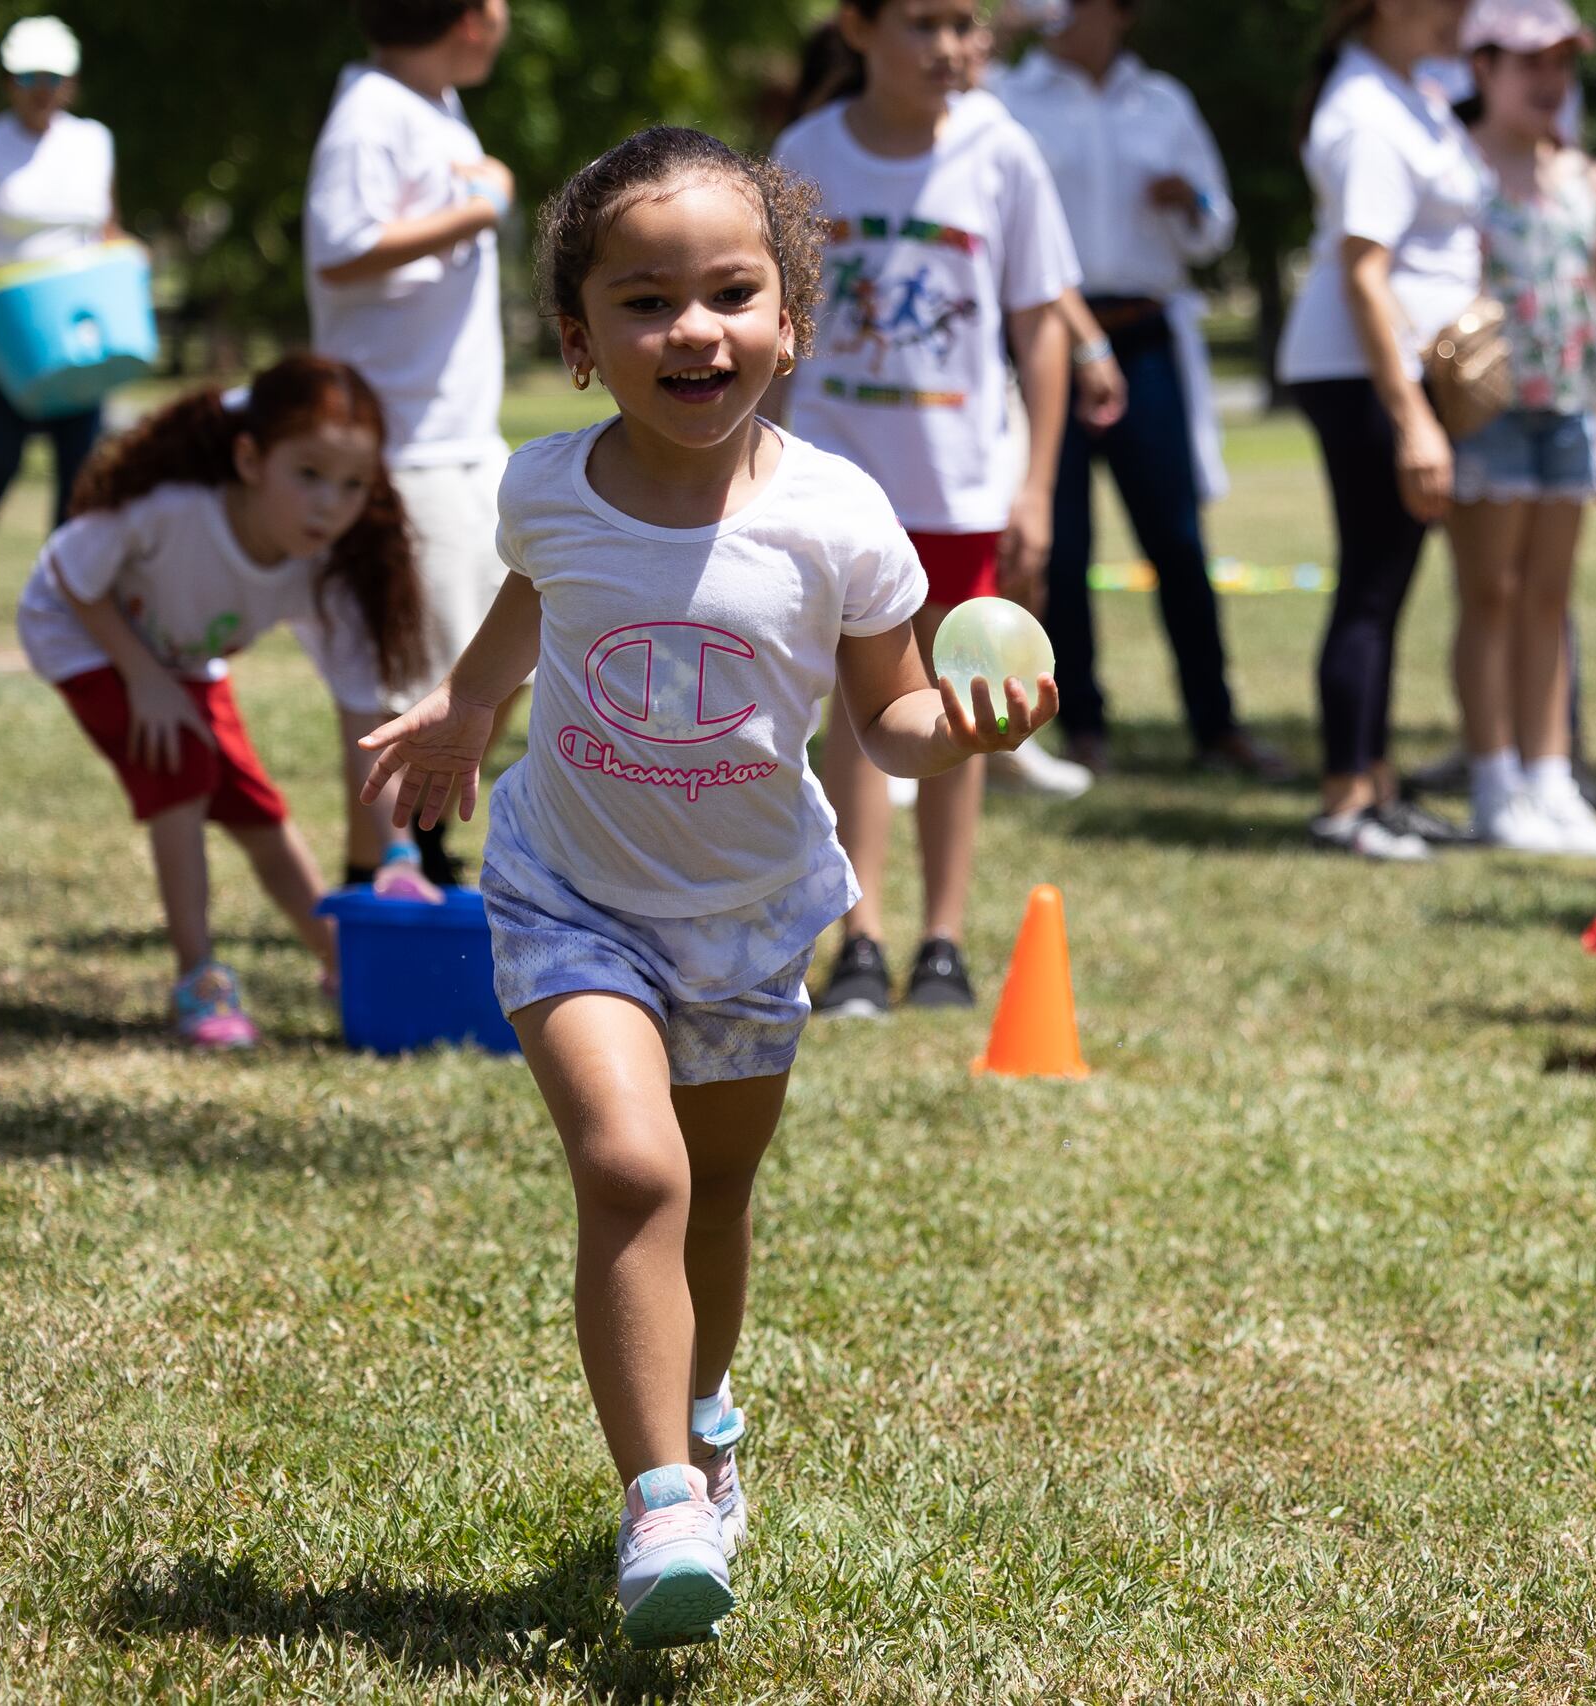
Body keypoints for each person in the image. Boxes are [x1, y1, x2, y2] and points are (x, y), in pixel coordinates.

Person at [358, 127, 1052, 1647]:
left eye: (732, 292)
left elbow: (891, 717)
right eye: (646, 300)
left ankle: (707, 1414)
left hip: (750, 913)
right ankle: (661, 1491)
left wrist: (967, 722)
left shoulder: (841, 517)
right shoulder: (545, 486)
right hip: (571, 893)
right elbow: (536, 600)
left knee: (718, 1194)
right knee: (635, 1172)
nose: (695, 329)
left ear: (790, 323)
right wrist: (470, 705)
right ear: (582, 341)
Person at [774, 0, 1081, 1017]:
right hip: (834, 476)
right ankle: (859, 938)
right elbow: (770, 317)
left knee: (960, 702)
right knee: (854, 712)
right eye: (922, 23)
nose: (950, 47)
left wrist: (1033, 484)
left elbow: (1040, 325)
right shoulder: (807, 152)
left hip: (959, 484)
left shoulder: (1002, 152)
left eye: (966, 23)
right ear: (855, 28)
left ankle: (941, 941)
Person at [15, 358, 426, 1049]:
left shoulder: (326, 568)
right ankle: (197, 978)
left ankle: (340, 963)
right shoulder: (172, 509)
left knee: (255, 810)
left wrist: (400, 851)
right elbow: (70, 574)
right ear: (250, 458)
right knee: (179, 773)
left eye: (354, 485)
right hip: (80, 630)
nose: (331, 504)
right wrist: (142, 676)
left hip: (179, 659)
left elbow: (365, 717)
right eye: (309, 475)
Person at [995, 0, 1291, 781]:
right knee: (1061, 540)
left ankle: (1215, 723)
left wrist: (1187, 200)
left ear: (1119, 13)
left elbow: (1215, 222)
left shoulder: (1162, 102)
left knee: (1177, 537)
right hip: (1049, 336)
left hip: (1146, 336)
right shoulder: (1007, 98)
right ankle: (1083, 724)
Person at [303, 0, 516, 888]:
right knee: (407, 674)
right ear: (468, 18)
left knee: (499, 659)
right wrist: (480, 209)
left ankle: (417, 842)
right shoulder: (370, 117)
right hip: (403, 446)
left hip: (464, 436)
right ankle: (382, 872)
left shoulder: (432, 105)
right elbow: (340, 250)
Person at [1282, 0, 1480, 861]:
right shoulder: (1364, 110)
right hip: (1364, 373)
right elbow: (1365, 274)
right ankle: (1344, 801)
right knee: (1369, 584)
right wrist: (1412, 420)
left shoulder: (1408, 91)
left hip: (1389, 371)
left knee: (1386, 585)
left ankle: (1379, 786)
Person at [1444, 0, 1596, 856]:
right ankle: (1493, 779)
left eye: (1561, 63)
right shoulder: (1455, 172)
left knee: (1550, 602)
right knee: (1491, 595)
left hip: (1568, 412)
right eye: (1531, 64)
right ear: (1482, 67)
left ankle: (1550, 775)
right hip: (1487, 417)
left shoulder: (1588, 181)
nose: (1550, 82)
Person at [0, 16, 119, 613]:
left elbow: (106, 227)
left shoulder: (92, 141)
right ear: (10, 81)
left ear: (70, 81)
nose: (40, 88)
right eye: (28, 76)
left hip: (75, 328)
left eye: (52, 77)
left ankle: (61, 594)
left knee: (78, 464)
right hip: (0, 327)